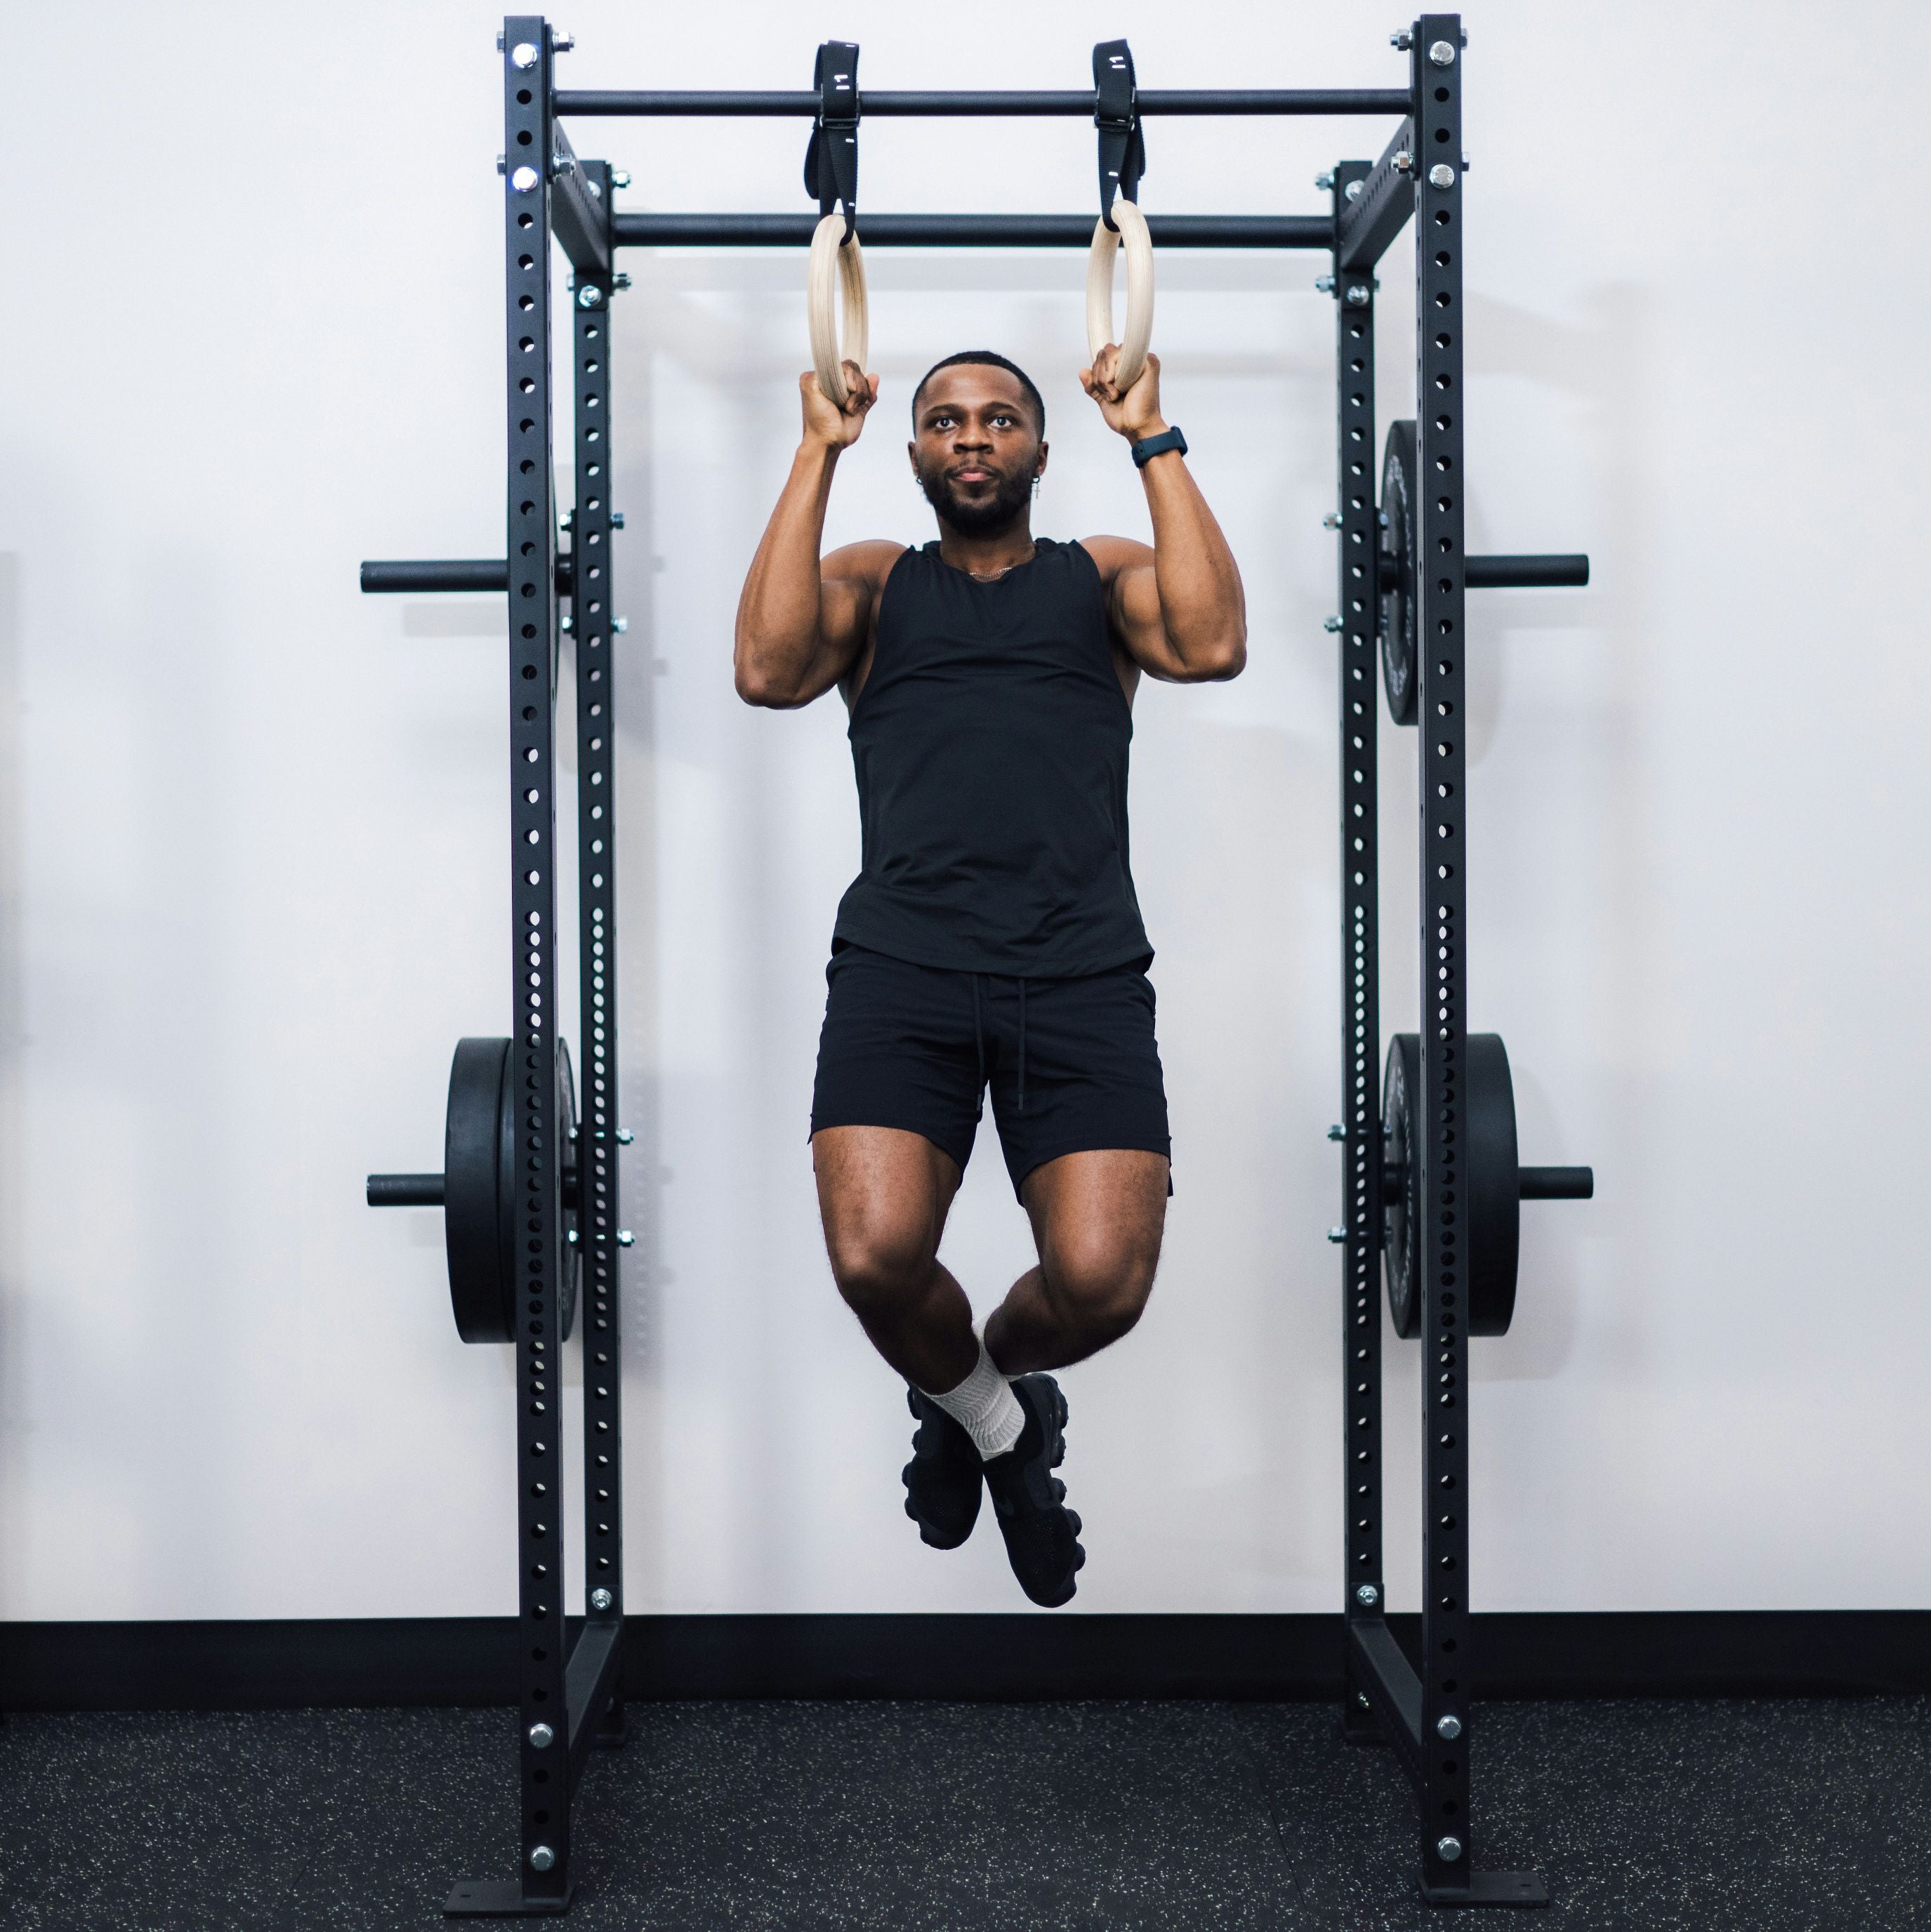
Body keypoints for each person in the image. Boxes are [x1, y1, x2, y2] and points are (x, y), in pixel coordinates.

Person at [733, 340, 1246, 1606]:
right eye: (947, 421)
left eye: (1001, 419)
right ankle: (997, 1427)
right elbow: (764, 672)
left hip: (1079, 977)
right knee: (874, 1259)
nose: (973, 437)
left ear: (1036, 449)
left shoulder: (1102, 581)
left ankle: (980, 1391)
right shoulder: (867, 585)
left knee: (1101, 1286)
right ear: (913, 452)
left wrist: (1152, 431)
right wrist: (815, 448)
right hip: (903, 971)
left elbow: (1213, 644)